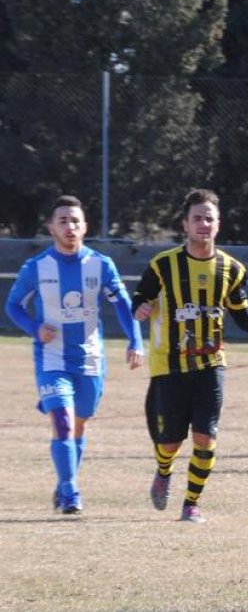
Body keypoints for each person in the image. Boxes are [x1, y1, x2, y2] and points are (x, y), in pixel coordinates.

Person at [131, 189, 248, 524]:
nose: (203, 224)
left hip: (211, 365)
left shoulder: (232, 269)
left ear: (218, 224)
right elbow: (139, 297)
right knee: (169, 443)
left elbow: (240, 312)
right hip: (169, 365)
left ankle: (191, 504)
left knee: (206, 436)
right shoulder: (162, 265)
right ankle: (163, 472)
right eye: (197, 217)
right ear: (185, 223)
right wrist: (139, 307)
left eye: (209, 218)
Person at [5, 195, 144, 515]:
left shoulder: (101, 265)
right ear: (51, 227)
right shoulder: (36, 268)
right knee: (63, 422)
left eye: (75, 221)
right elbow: (13, 306)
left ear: (85, 227)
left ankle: (65, 478)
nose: (70, 226)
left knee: (79, 425)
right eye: (63, 221)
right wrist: (34, 327)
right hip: (51, 359)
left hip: (90, 358)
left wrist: (135, 340)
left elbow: (123, 305)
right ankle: (70, 491)